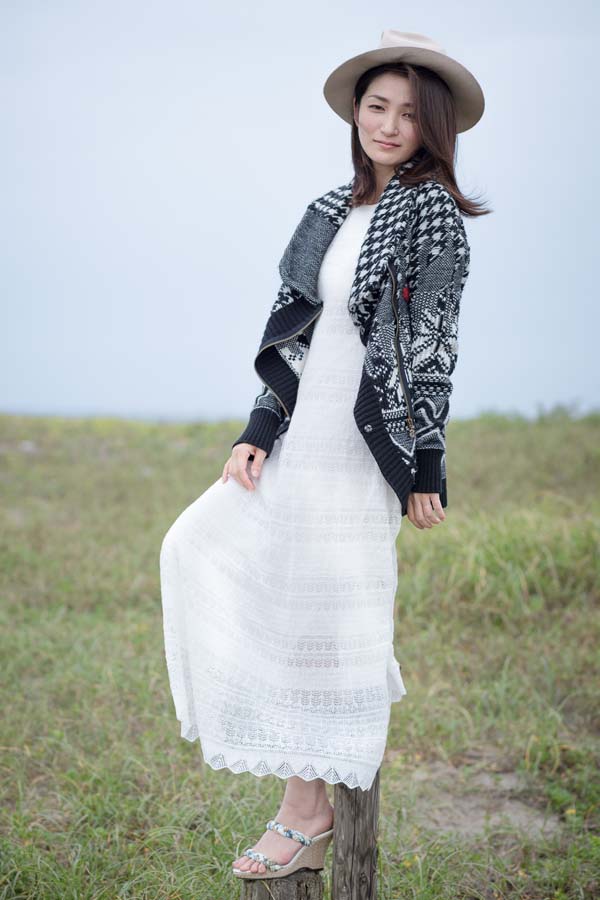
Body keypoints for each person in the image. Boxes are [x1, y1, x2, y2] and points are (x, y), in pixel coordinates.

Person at [159, 29, 488, 882]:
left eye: (409, 114)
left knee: (325, 623)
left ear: (433, 127)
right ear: (356, 113)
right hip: (302, 441)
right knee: (201, 548)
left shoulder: (432, 215)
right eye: (377, 107)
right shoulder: (327, 211)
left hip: (360, 448)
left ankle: (305, 814)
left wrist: (425, 464)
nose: (389, 125)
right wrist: (258, 430)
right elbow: (294, 333)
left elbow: (433, 344)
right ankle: (307, 802)